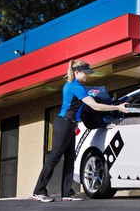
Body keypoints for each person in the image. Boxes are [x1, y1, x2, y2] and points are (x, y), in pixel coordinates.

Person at [32, 60, 129, 202]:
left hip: (69, 125)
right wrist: (117, 107)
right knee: (55, 157)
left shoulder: (71, 85)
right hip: (64, 124)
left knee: (70, 158)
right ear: (77, 72)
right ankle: (39, 191)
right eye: (85, 73)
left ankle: (67, 192)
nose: (87, 76)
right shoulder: (76, 87)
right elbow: (95, 106)